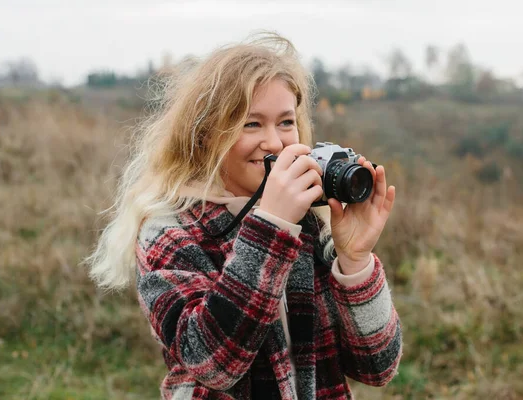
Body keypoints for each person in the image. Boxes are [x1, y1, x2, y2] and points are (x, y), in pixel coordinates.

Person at [86, 32, 402, 400]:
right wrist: (271, 230)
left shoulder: (310, 222)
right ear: (205, 134)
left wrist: (355, 262)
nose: (274, 142)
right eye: (251, 124)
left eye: (286, 122)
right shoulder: (169, 231)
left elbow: (377, 366)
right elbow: (212, 364)